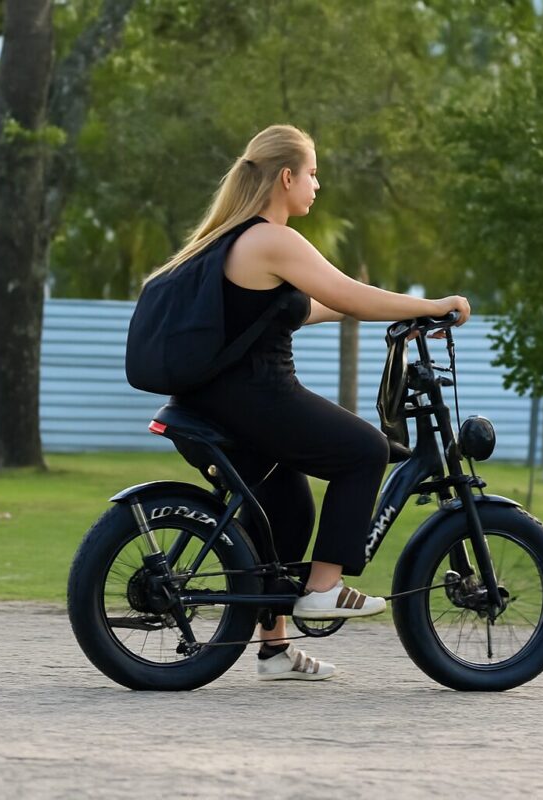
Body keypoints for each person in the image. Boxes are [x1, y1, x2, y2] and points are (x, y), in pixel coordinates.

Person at [146, 124, 470, 681]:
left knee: (289, 511)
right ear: (287, 176)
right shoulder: (272, 238)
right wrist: (432, 305)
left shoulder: (236, 241)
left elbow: (309, 307)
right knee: (365, 450)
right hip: (257, 397)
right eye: (313, 172)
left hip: (217, 403)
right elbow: (345, 292)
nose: (318, 184)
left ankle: (274, 649)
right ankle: (323, 588)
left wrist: (368, 308)